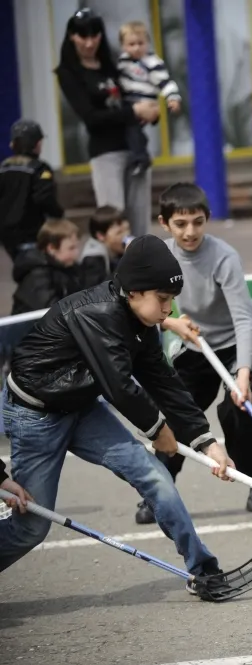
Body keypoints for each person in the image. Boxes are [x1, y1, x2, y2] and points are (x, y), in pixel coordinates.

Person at [0, 234, 238, 599]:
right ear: (134, 292)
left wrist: (206, 441)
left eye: (172, 299)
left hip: (82, 408)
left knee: (155, 476)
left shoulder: (142, 322)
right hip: (35, 416)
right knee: (31, 528)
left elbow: (163, 380)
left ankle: (204, 570)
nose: (169, 310)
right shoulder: (97, 313)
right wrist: (158, 429)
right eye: (163, 299)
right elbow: (119, 385)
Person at [134, 183, 252, 525]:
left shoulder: (224, 256)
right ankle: (159, 491)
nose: (190, 232)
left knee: (235, 408)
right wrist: (171, 323)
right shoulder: (159, 256)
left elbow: (244, 319)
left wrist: (243, 375)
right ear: (164, 223)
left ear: (207, 218)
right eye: (180, 224)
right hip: (195, 342)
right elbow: (135, 305)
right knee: (178, 416)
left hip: (240, 340)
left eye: (198, 222)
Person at [54, 8, 158, 236]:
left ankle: (142, 259)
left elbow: (136, 92)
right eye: (83, 36)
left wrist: (150, 110)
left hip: (136, 148)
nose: (89, 43)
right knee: (114, 223)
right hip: (106, 153)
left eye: (95, 36)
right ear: (72, 36)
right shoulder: (68, 72)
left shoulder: (113, 63)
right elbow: (91, 118)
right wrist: (134, 111)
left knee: (140, 224)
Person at [116, 20, 182, 177]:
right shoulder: (122, 62)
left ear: (148, 43)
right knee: (127, 128)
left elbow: (165, 82)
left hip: (143, 100)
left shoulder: (152, 63)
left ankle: (141, 157)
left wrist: (172, 98)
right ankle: (134, 155)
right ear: (123, 46)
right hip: (127, 100)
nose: (137, 48)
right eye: (131, 44)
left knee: (133, 128)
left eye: (141, 43)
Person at [0, 119, 65, 263]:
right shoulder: (39, 168)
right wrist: (58, 214)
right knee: (36, 268)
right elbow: (44, 197)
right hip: (31, 232)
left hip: (6, 235)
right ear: (38, 144)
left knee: (21, 266)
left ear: (12, 144)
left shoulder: (3, 168)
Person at [11, 219, 82, 315]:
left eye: (77, 247)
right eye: (71, 248)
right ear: (51, 248)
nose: (77, 253)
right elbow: (52, 310)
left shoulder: (70, 267)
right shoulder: (37, 276)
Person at [79, 205, 132, 288]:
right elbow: (97, 291)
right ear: (100, 236)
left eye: (127, 229)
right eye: (119, 232)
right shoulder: (93, 259)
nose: (126, 235)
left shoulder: (115, 250)